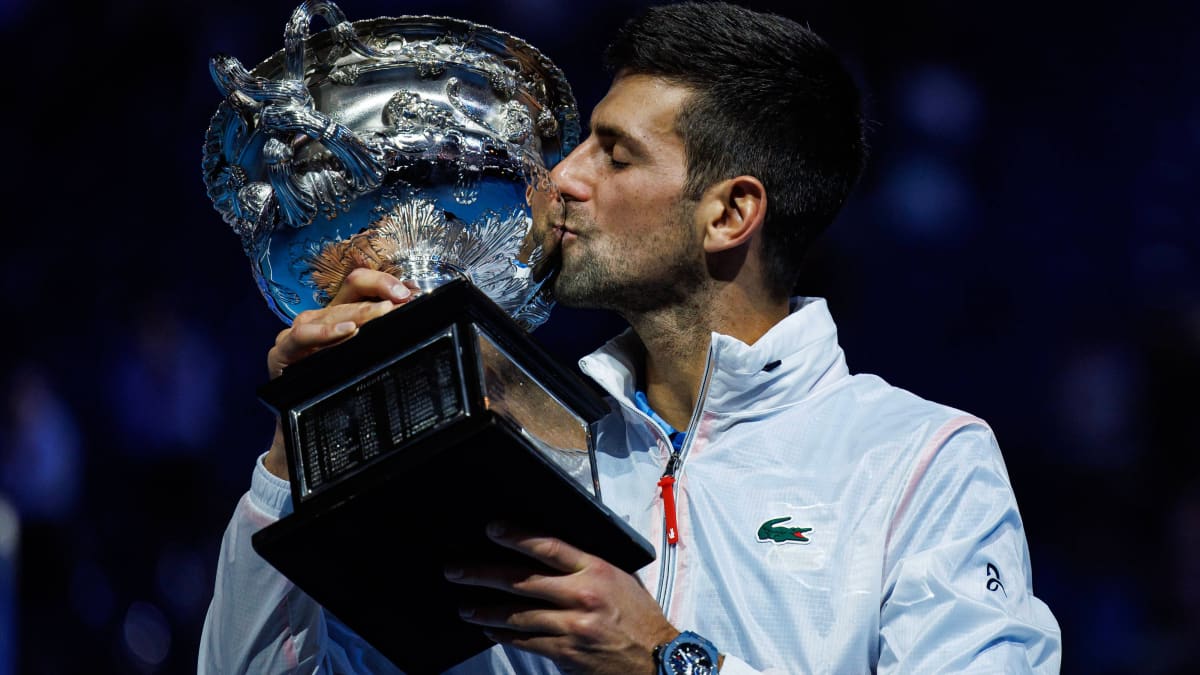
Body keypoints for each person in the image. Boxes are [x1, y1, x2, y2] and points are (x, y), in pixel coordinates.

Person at [199, 2, 1062, 673]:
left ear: (730, 213)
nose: (562, 177)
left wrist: (663, 658)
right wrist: (295, 454)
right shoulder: (509, 434)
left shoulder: (919, 461)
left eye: (614, 154)